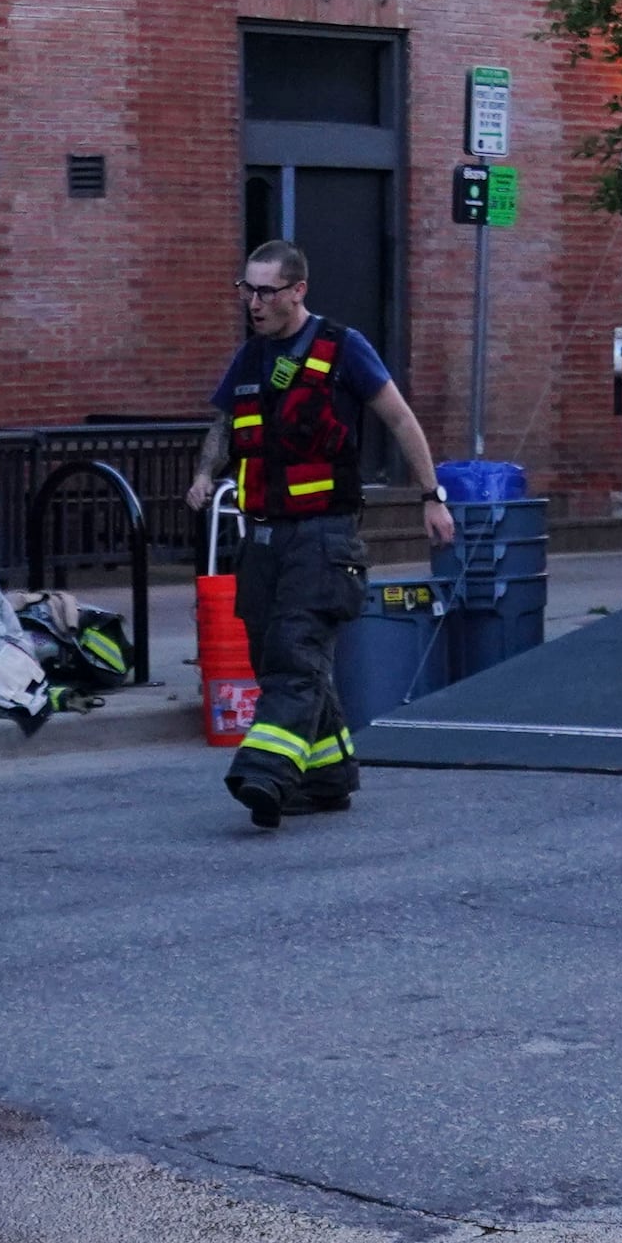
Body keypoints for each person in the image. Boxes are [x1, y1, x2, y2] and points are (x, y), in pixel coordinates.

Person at [184, 242, 453, 827]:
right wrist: (205, 474)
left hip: (324, 535)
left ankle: (265, 771)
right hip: (260, 537)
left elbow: (400, 418)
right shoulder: (251, 359)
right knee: (271, 655)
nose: (253, 303)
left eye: (266, 292)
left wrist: (430, 497)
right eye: (246, 290)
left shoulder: (342, 348)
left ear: (298, 290)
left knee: (295, 656)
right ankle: (329, 774)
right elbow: (225, 425)